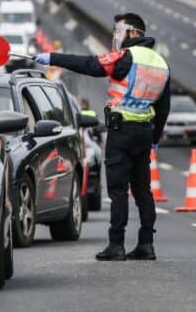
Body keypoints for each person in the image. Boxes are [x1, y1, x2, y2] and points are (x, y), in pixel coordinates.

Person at [33, 13, 171, 261]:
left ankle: (116, 245)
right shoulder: (161, 63)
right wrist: (155, 138)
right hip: (144, 133)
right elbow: (163, 108)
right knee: (143, 191)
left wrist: (53, 58)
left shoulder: (125, 57)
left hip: (121, 132)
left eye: (120, 31)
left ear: (134, 33)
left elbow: (90, 65)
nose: (117, 36)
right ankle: (146, 244)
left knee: (118, 191)